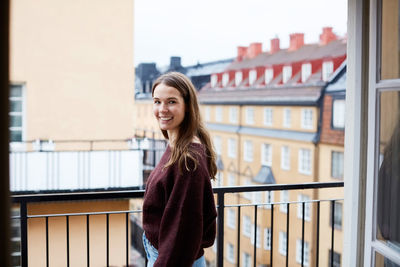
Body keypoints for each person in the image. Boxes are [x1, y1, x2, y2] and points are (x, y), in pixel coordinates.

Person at [142, 72, 217, 267]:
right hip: (163, 252)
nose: (162, 109)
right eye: (157, 101)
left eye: (171, 102)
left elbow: (182, 231)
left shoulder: (187, 160)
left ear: (187, 106)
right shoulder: (177, 144)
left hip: (171, 258)